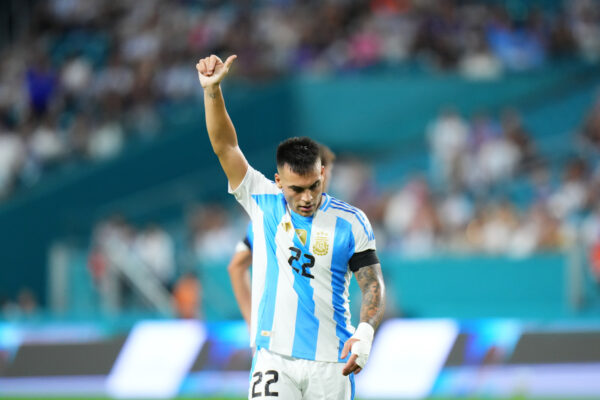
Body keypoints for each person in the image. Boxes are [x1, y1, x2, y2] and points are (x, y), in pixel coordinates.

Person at [196, 54, 385, 400]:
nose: (307, 197)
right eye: (296, 189)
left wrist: (365, 334)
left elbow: (372, 285)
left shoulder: (351, 221)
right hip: (274, 359)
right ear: (278, 181)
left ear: (323, 175)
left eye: (314, 185)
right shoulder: (263, 201)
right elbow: (226, 146)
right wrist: (212, 92)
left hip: (332, 360)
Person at [228, 144, 336, 328]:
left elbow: (236, 267)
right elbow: (236, 267)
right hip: (285, 336)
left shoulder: (330, 217)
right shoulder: (274, 216)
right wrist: (253, 322)